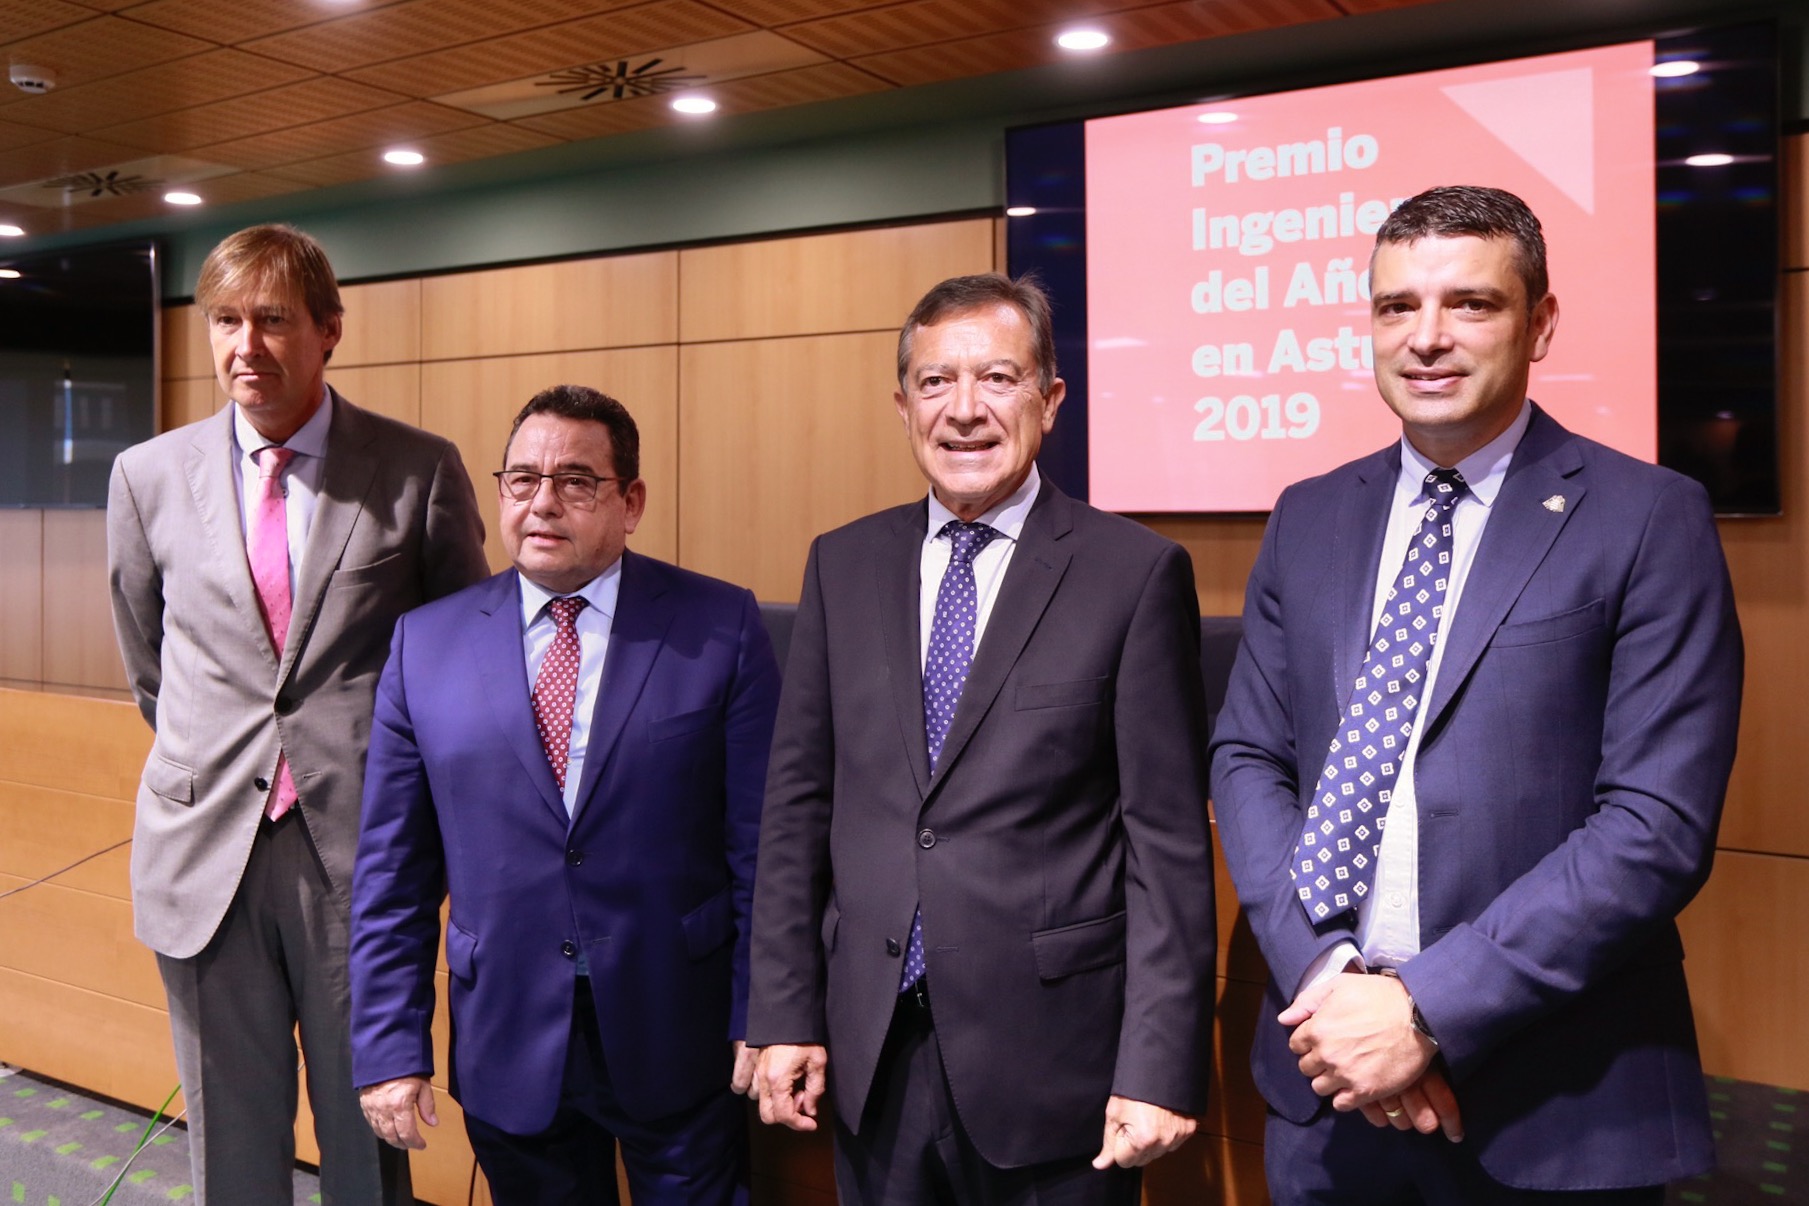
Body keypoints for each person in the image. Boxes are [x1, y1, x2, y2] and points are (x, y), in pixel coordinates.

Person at [1210, 185, 1744, 1204]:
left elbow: (1655, 825)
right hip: (1325, 1085)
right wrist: (1332, 990)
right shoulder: (1311, 515)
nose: (1427, 339)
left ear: (1540, 323)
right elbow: (1249, 758)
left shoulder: (1648, 519)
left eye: (1471, 304)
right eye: (1396, 307)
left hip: (1557, 1105)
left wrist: (1421, 1010)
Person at [748, 273, 1216, 1205]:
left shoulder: (1133, 574)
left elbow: (1165, 848)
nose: (963, 411)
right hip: (872, 1054)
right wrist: (783, 1014)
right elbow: (797, 810)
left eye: (997, 379)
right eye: (934, 382)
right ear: (902, 404)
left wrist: (1158, 1066)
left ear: (1049, 400)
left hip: (1053, 1066)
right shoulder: (842, 564)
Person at [106, 223, 489, 1204]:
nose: (247, 346)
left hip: (360, 851)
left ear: (330, 330)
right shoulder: (147, 478)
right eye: (226, 321)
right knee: (231, 1144)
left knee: (372, 1133)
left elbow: (463, 661)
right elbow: (150, 665)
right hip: (206, 850)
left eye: (273, 320)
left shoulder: (416, 468)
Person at [349, 385, 780, 1205]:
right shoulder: (424, 644)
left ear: (631, 502)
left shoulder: (718, 626)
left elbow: (763, 849)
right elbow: (391, 874)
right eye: (521, 480)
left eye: (577, 481)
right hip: (508, 1030)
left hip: (677, 1028)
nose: (543, 502)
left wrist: (763, 1013)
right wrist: (389, 1046)